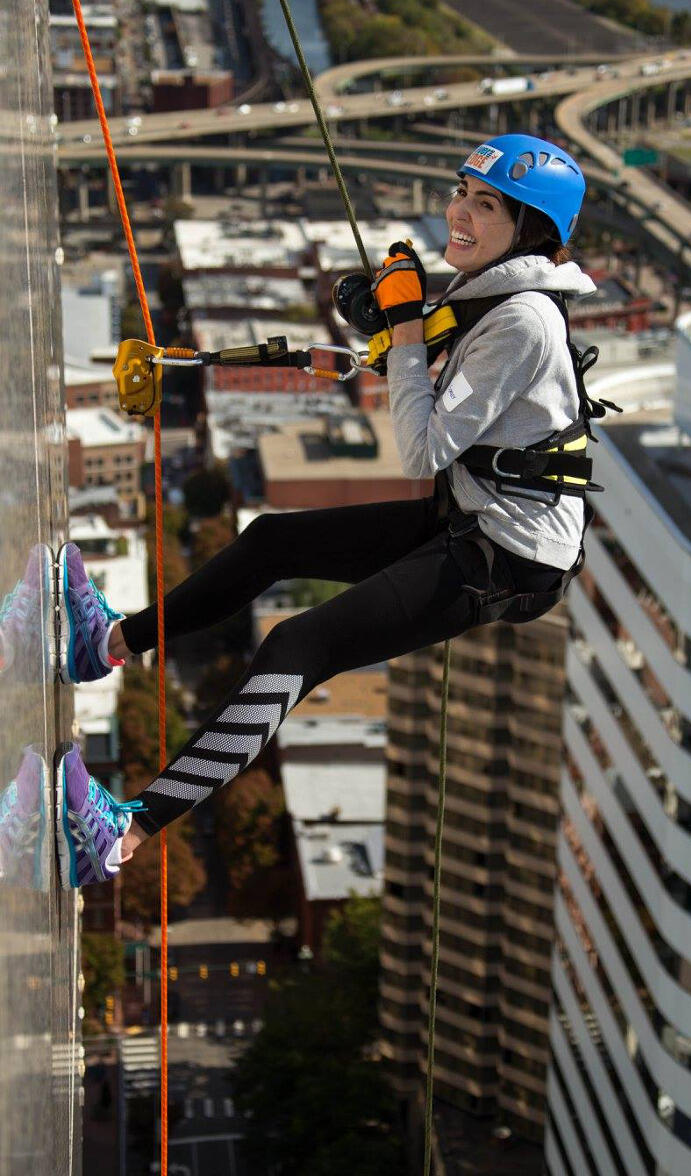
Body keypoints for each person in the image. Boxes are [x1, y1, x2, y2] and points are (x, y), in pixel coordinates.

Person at [54, 133, 601, 889]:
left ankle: (121, 835)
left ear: (533, 231)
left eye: (487, 205)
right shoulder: (489, 295)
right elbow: (427, 375)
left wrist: (405, 326)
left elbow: (422, 449)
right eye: (461, 194)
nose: (460, 215)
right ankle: (107, 645)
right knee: (272, 539)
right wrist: (386, 323)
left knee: (296, 647)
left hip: (506, 554)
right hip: (476, 513)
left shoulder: (522, 320)